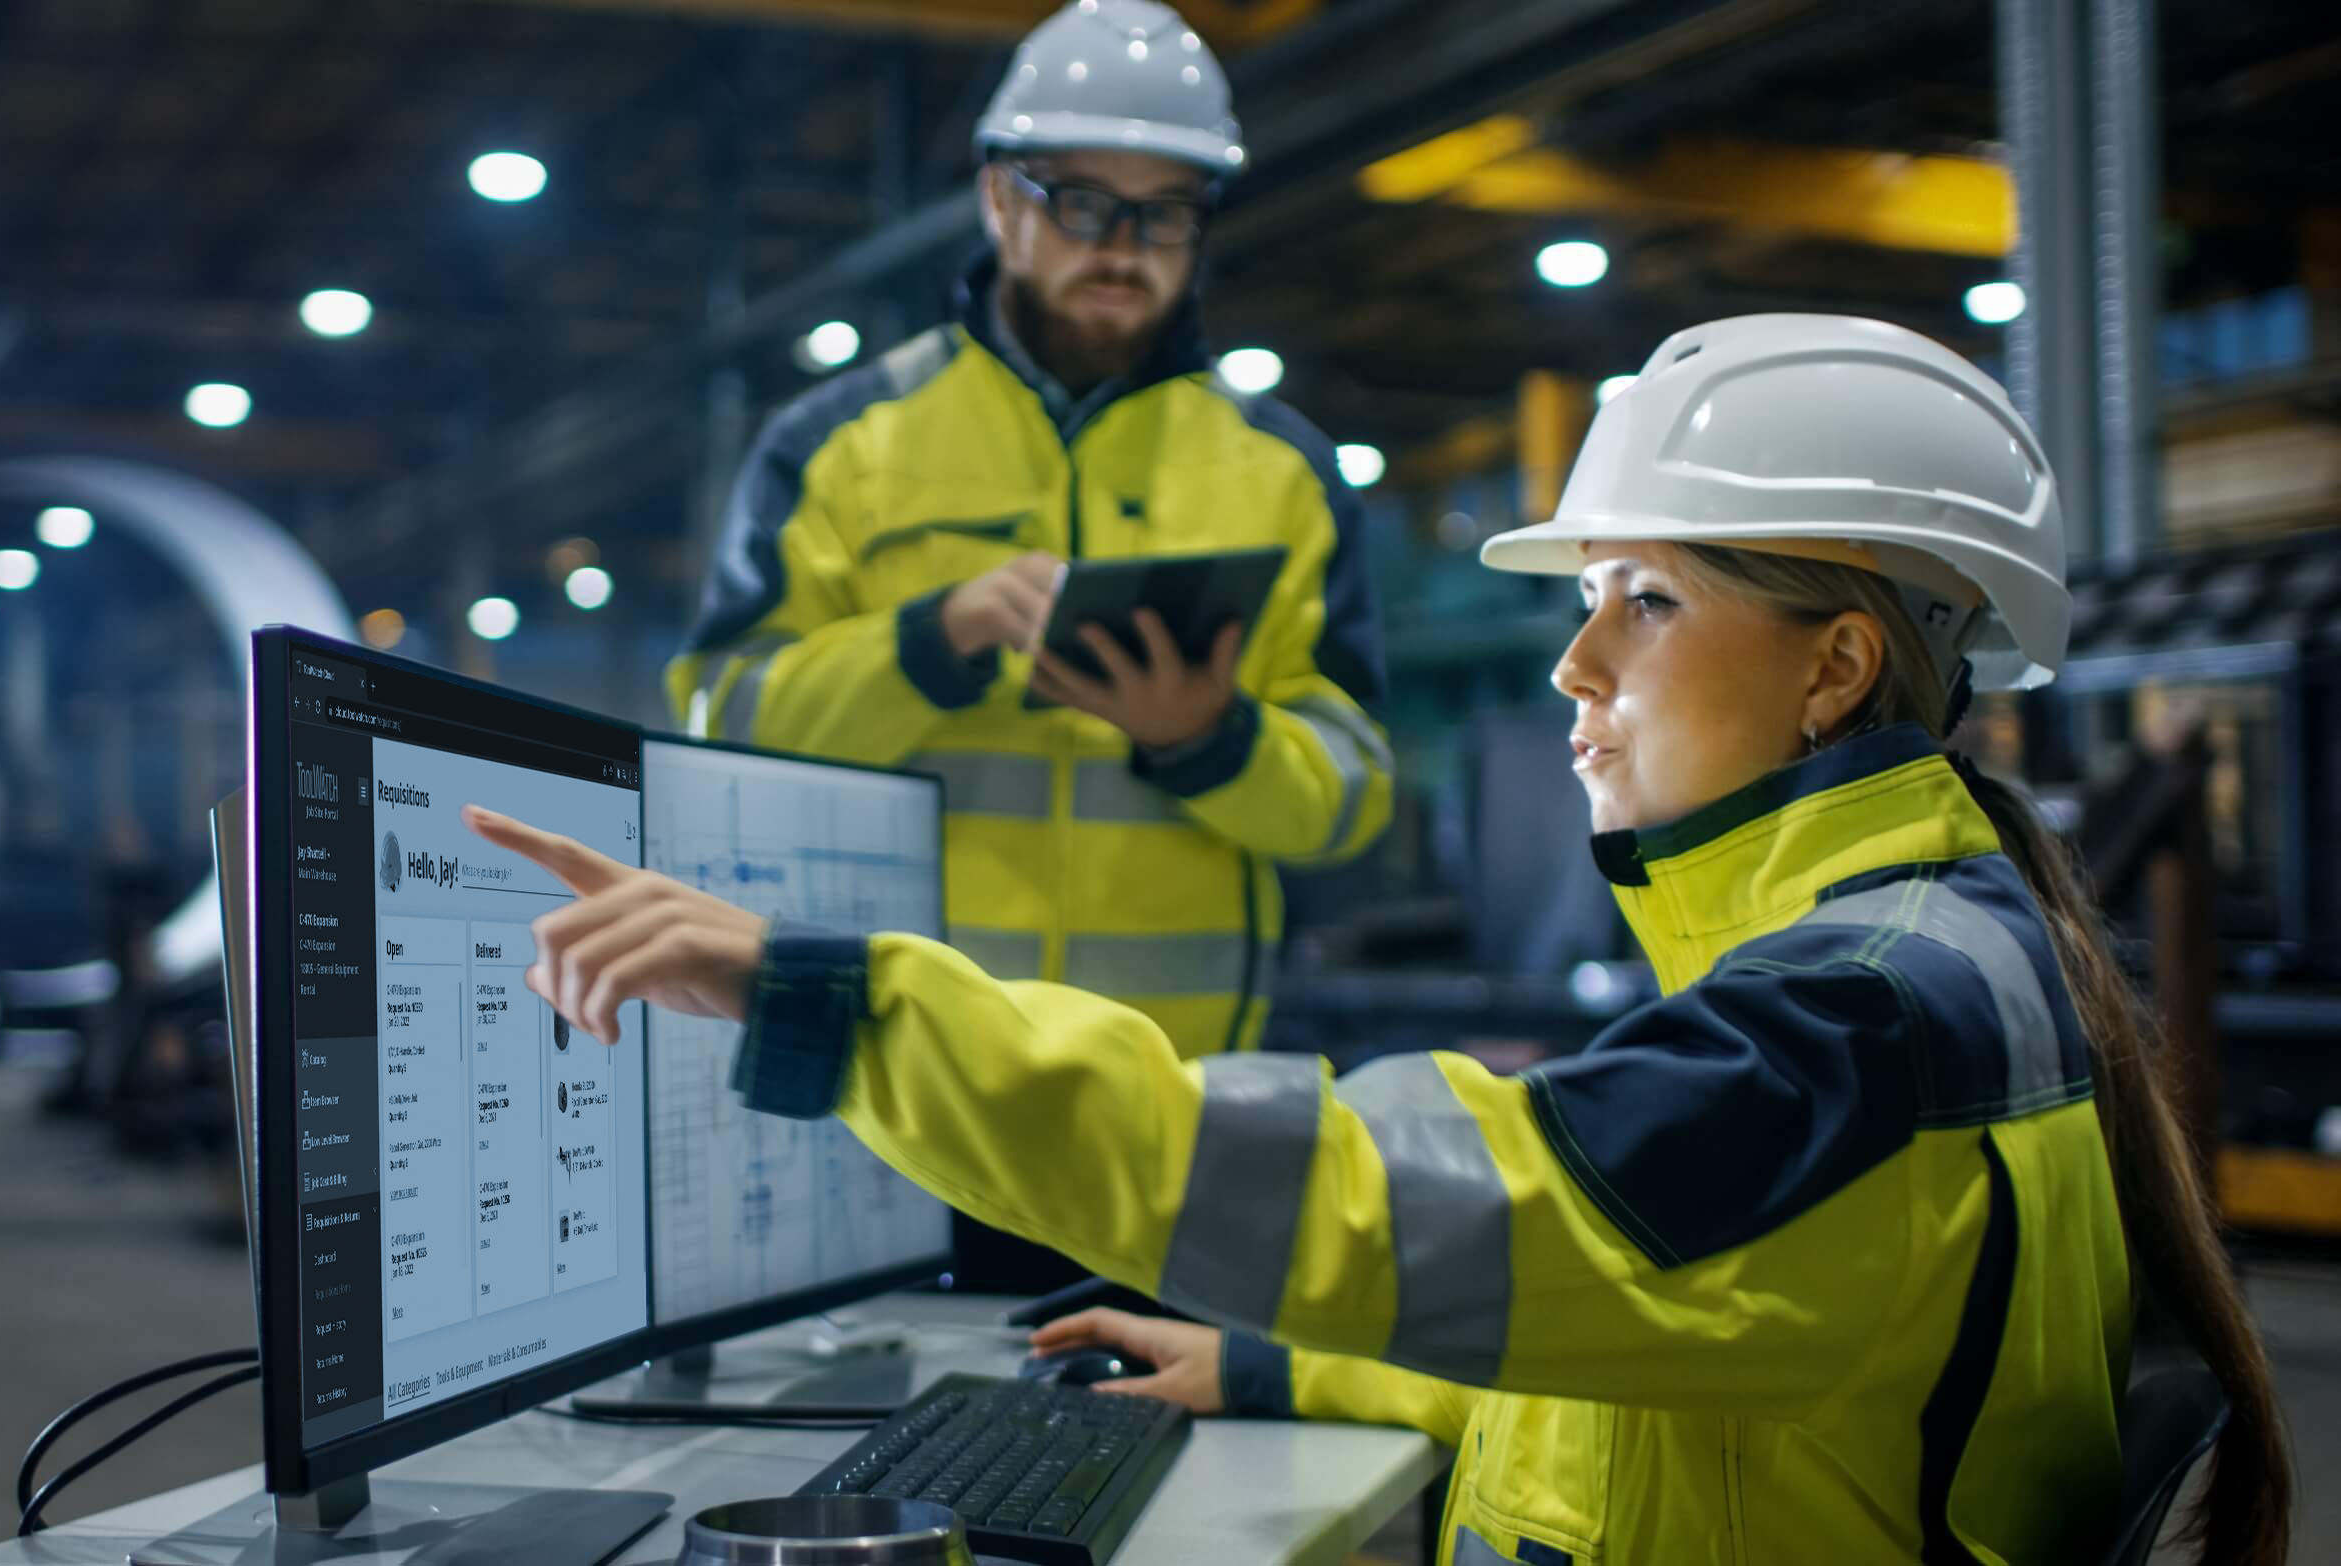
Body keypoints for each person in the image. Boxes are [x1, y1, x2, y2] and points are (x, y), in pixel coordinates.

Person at [474, 314, 2291, 1564]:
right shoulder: (1924, 946)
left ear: (1837, 665)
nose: (1574, 667)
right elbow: (1647, 1325)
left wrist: (827, 1001)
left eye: (1646, 601)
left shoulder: (1851, 1023)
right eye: (1588, 602)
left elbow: (1387, 1190)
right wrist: (1281, 1367)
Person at [664, 0, 1393, 1066]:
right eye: (1083, 204)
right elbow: (717, 727)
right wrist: (930, 642)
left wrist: (1210, 737)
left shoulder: (1284, 475)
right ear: (999, 199)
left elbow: (1354, 797)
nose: (1125, 248)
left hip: (1168, 1101)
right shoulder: (838, 445)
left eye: (1168, 212)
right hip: (902, 1080)